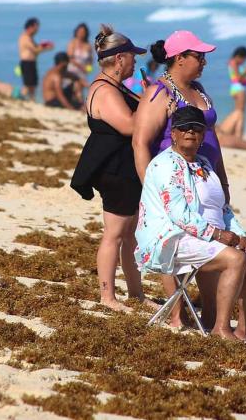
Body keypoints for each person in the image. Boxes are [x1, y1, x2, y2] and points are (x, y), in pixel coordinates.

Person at [135, 105, 246, 340]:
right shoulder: (165, 165)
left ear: (203, 135)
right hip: (171, 238)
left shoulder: (204, 163)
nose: (190, 132)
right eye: (184, 128)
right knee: (235, 259)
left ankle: (245, 328)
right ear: (173, 133)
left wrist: (240, 234)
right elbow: (179, 215)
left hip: (204, 237)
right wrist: (217, 235)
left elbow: (223, 208)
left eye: (196, 128)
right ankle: (220, 329)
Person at [70, 25, 148, 311]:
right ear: (119, 59)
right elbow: (128, 125)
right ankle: (107, 296)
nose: (135, 61)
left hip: (122, 168)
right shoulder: (105, 90)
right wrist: (149, 102)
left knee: (130, 236)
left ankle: (136, 294)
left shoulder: (112, 87)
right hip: (115, 170)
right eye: (132, 56)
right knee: (114, 235)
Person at [218, 46, 246, 144]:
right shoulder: (234, 63)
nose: (243, 61)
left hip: (235, 88)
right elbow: (238, 78)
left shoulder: (231, 62)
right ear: (239, 56)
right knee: (240, 112)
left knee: (239, 111)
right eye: (243, 58)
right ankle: (238, 135)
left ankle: (236, 134)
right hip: (239, 88)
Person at [18, 17, 52, 101]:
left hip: (31, 63)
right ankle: (19, 99)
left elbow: (36, 48)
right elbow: (35, 49)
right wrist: (47, 48)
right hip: (26, 63)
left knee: (33, 85)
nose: (37, 30)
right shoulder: (25, 37)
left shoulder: (30, 38)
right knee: (27, 85)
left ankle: (32, 100)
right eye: (36, 28)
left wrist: (44, 45)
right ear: (30, 27)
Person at [66, 22, 93, 102]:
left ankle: (80, 105)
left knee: (80, 89)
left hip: (83, 71)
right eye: (80, 32)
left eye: (83, 32)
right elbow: (70, 58)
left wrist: (88, 69)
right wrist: (81, 67)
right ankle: (78, 104)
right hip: (72, 69)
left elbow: (90, 61)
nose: (81, 34)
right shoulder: (72, 42)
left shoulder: (88, 45)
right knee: (74, 87)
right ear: (76, 32)